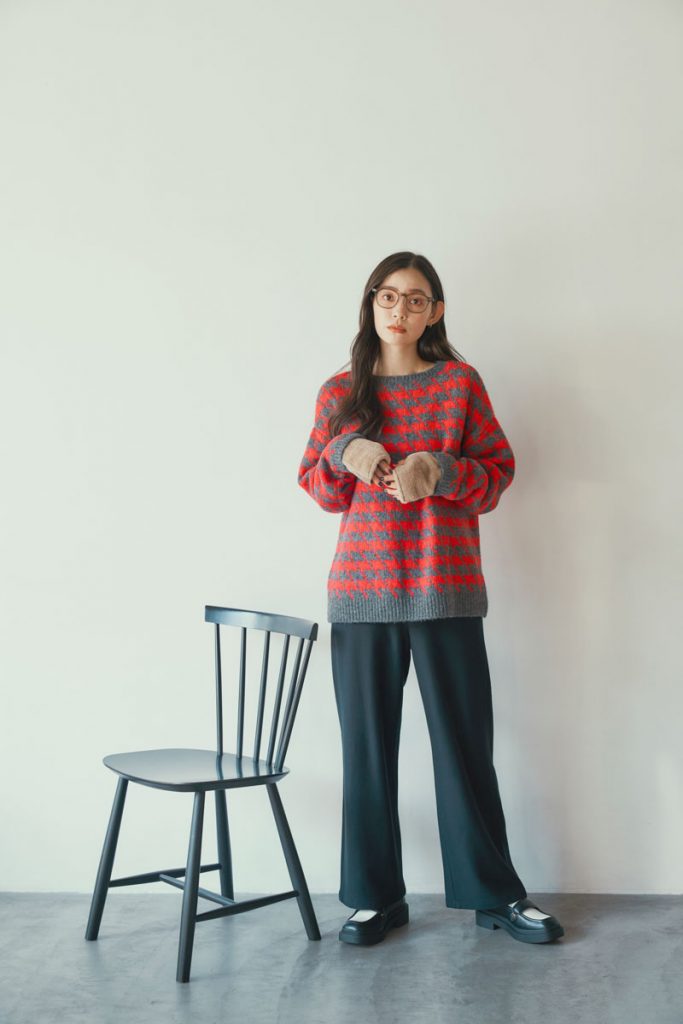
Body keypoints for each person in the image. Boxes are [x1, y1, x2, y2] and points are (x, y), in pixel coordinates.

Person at [297, 250, 564, 947]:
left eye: (415, 299)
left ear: (434, 312)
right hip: (362, 596)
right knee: (366, 752)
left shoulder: (458, 386)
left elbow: (496, 475)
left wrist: (438, 469)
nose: (400, 310)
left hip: (446, 590)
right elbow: (318, 489)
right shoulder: (339, 392)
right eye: (387, 296)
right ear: (370, 303)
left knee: (464, 750)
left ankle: (494, 896)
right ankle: (374, 899)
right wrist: (344, 453)